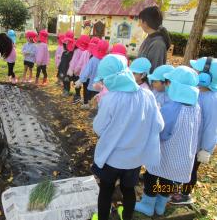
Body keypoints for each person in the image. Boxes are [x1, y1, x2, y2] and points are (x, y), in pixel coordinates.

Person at [91, 54, 164, 220]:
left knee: (106, 189)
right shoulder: (148, 95)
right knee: (128, 189)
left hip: (112, 157)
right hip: (135, 158)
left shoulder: (110, 99)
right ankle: (127, 216)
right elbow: (159, 125)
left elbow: (99, 128)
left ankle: (103, 217)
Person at [136, 66, 201, 217]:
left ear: (177, 86)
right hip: (182, 153)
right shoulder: (195, 106)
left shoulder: (172, 107)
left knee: (152, 177)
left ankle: (147, 204)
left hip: (166, 152)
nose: (168, 85)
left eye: (170, 82)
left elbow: (162, 132)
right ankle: (161, 204)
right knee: (168, 180)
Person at [170, 57, 217, 204]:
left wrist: (206, 149)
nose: (195, 72)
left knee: (192, 170)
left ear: (205, 77)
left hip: (198, 146)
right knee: (184, 167)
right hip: (189, 141)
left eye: (197, 70)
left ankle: (186, 195)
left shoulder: (212, 99)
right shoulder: (198, 92)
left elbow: (212, 127)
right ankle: (176, 188)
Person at [75, 40, 109, 109]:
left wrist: (81, 80)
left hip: (93, 84)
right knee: (99, 100)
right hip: (103, 86)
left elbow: (87, 71)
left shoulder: (93, 59)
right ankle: (96, 111)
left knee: (93, 98)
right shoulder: (107, 60)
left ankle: (91, 109)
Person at [138, 6, 171, 73]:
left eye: (140, 21)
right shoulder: (150, 38)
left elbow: (154, 71)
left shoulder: (158, 44)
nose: (139, 24)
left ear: (145, 23)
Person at [67, 35, 90, 104]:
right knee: (84, 86)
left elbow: (74, 61)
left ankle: (77, 96)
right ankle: (84, 99)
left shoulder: (77, 51)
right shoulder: (87, 52)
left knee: (76, 84)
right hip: (84, 72)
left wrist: (72, 69)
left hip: (77, 71)